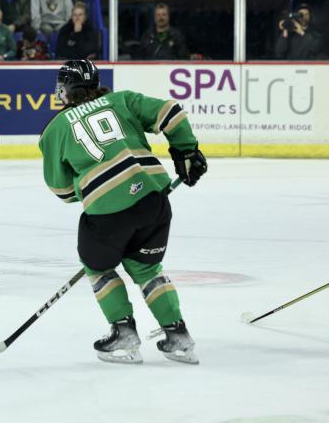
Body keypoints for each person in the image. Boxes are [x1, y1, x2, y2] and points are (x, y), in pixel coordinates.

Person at [38, 59, 207, 365]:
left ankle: (124, 334)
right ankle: (179, 337)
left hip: (107, 214)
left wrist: (91, 188)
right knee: (147, 269)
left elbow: (62, 191)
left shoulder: (54, 130)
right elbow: (172, 112)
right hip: (154, 201)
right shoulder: (122, 100)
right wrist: (187, 151)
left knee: (99, 267)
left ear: (64, 90)